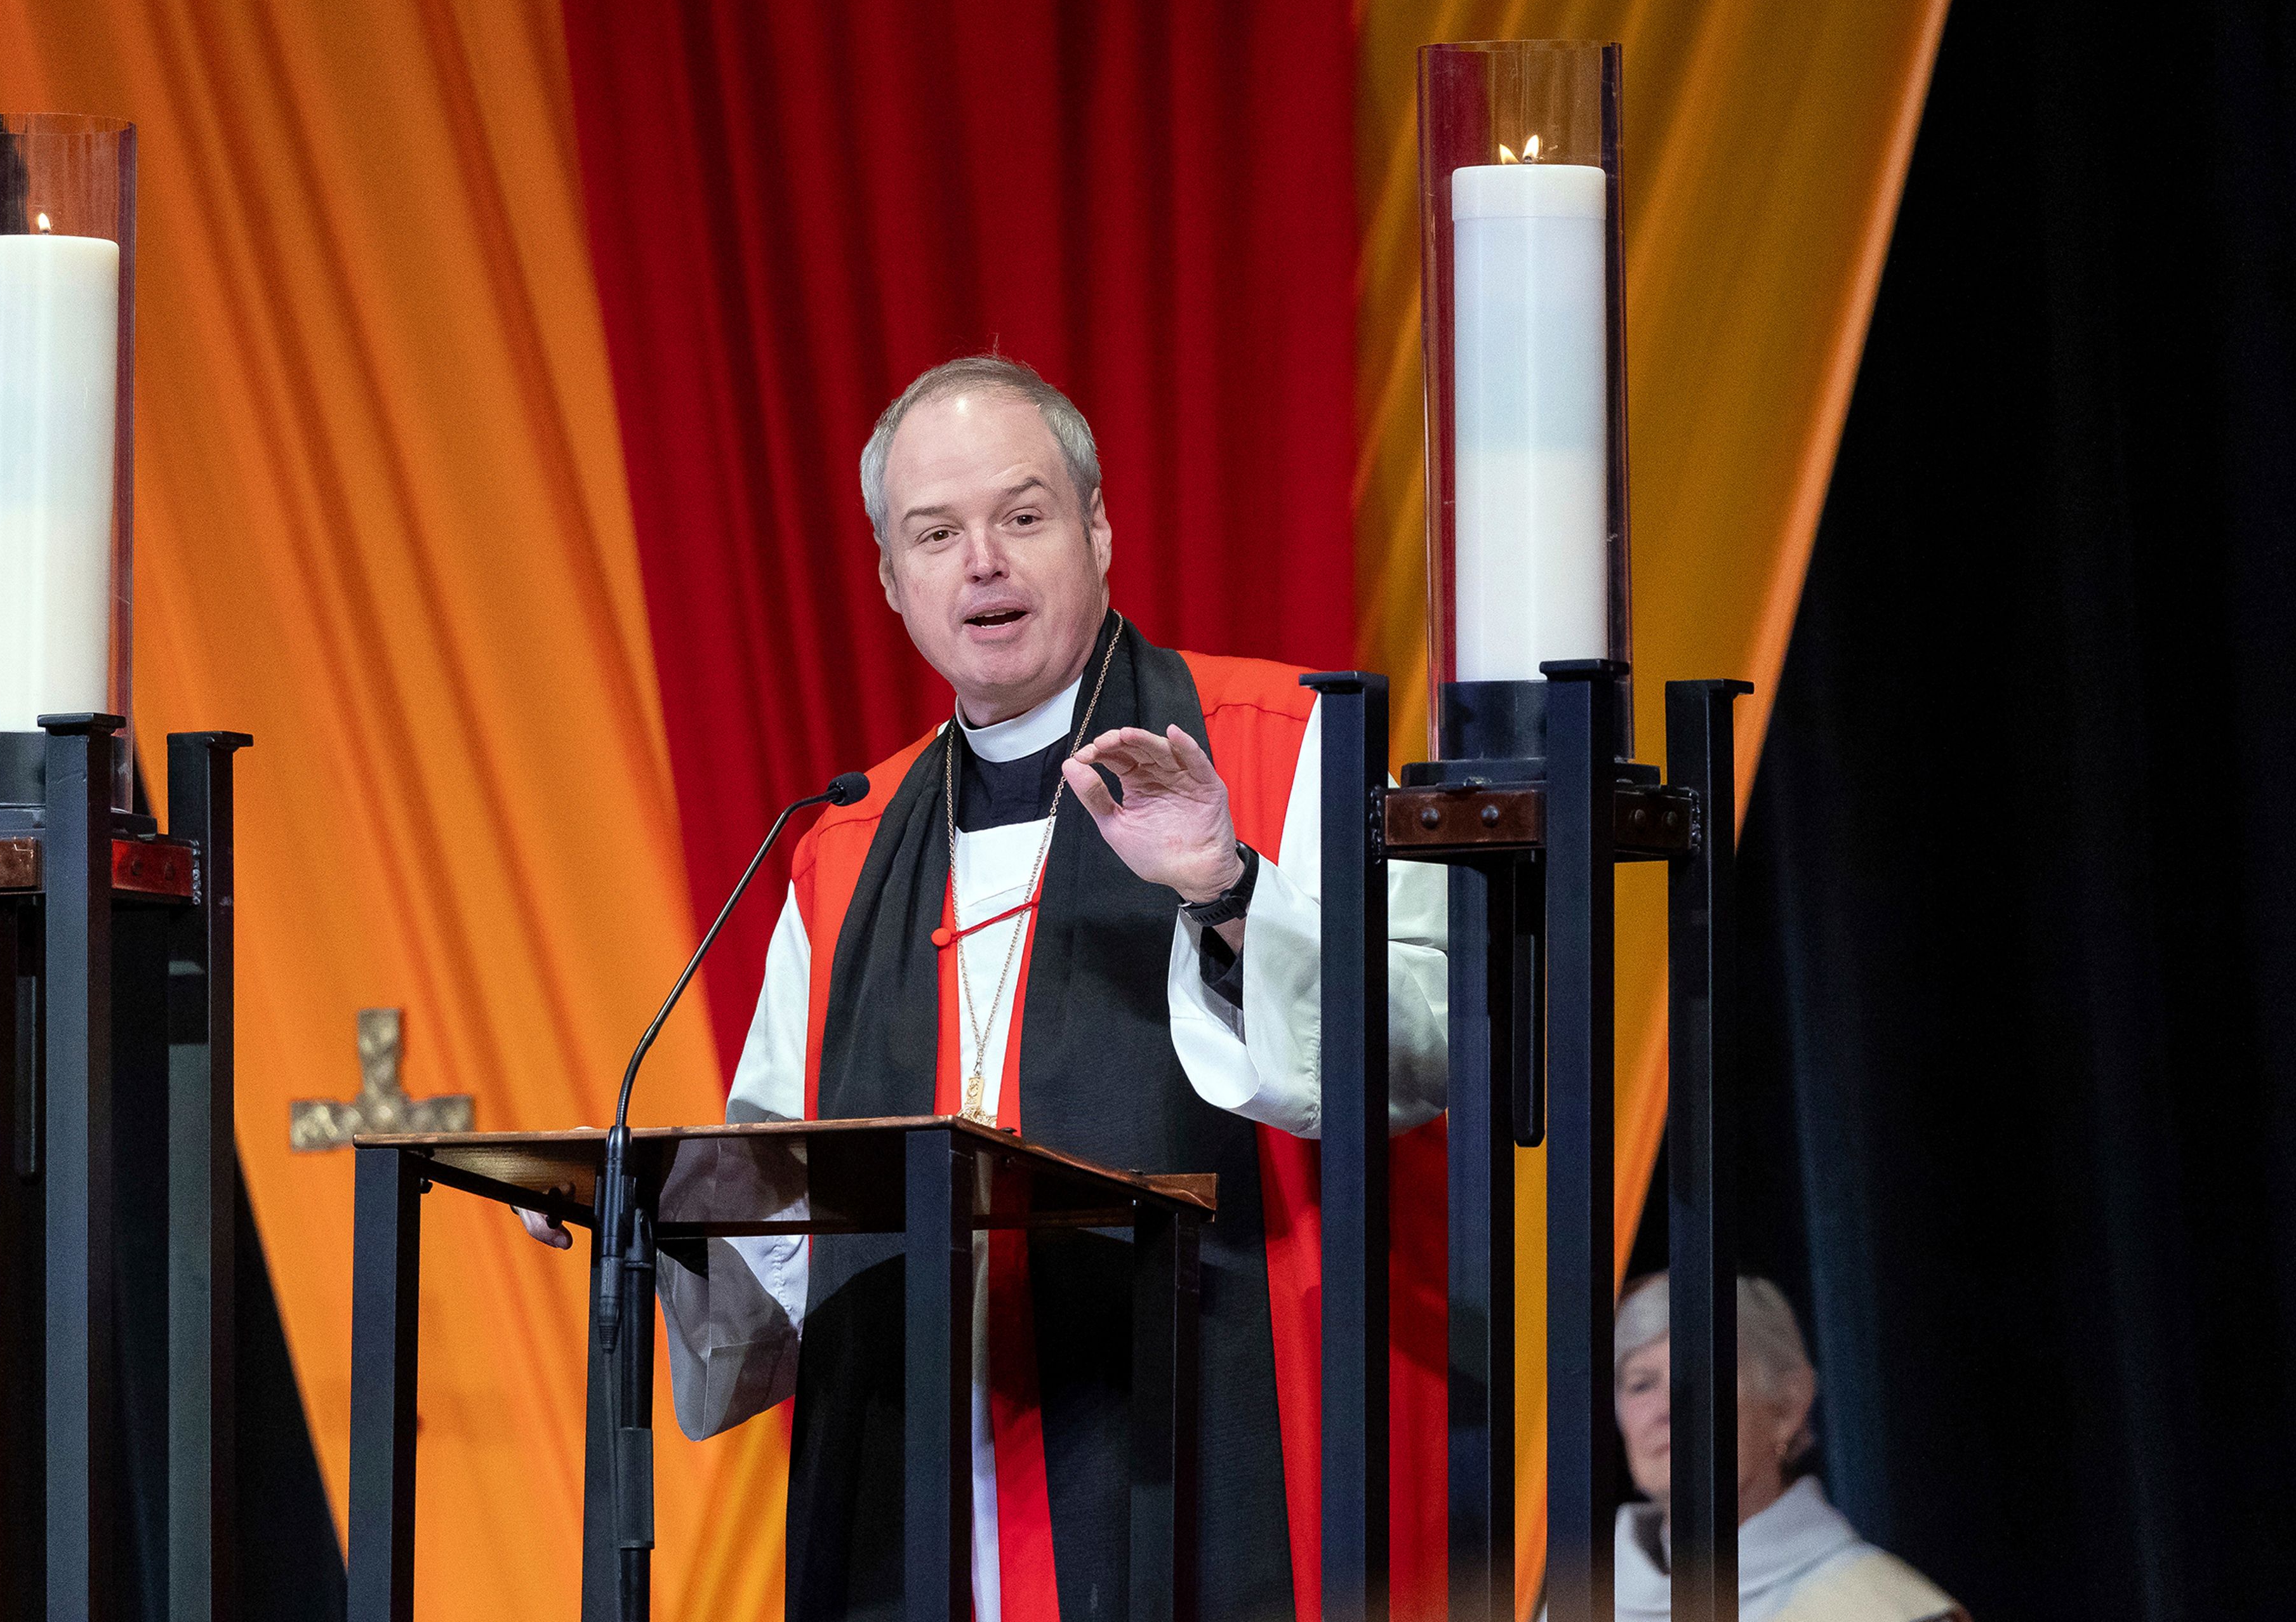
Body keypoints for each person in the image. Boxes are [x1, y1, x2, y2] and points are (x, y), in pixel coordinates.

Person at [523, 355, 1449, 1622]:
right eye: (937, 533)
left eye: (1022, 516)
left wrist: (1231, 886)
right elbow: (796, 1211)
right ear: (891, 579)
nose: (983, 563)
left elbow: (1418, 1054)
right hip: (929, 1487)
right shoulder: (843, 842)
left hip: (1212, 1440)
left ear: (1101, 529)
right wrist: (648, 1201)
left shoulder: (1283, 740)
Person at [1611, 1273, 1966, 1622]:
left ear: (1787, 1404)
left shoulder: (1882, 1611)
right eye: (1641, 1384)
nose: (1665, 1409)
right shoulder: (1572, 1601)